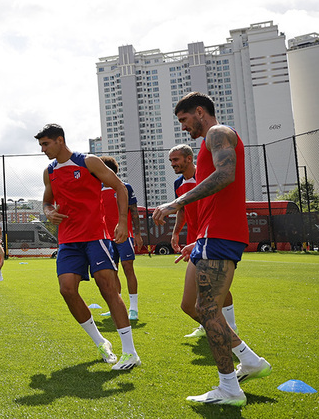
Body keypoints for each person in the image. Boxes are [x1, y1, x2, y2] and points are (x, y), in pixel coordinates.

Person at [153, 92, 271, 407]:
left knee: (208, 311)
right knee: (190, 305)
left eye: (184, 120)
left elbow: (226, 175)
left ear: (200, 112)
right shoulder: (209, 143)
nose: (183, 127)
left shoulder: (219, 134)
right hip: (208, 236)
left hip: (221, 235)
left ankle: (230, 389)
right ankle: (250, 360)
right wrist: (196, 239)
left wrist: (177, 202)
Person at [37, 124, 141, 371]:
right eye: (41, 145)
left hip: (96, 236)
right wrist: (49, 212)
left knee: (107, 288)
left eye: (46, 144)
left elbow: (120, 188)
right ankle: (101, 342)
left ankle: (130, 352)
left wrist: (123, 222)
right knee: (67, 290)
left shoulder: (88, 162)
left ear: (60, 140)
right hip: (68, 241)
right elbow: (46, 201)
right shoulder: (49, 171)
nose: (43, 149)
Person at [168, 144, 238, 339]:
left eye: (176, 160)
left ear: (189, 159)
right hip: (193, 236)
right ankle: (207, 324)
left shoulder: (207, 176)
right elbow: (182, 208)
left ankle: (231, 326)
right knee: (202, 282)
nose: (173, 164)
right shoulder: (178, 183)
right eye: (171, 161)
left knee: (216, 282)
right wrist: (176, 233)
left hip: (211, 235)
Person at [98, 156, 143, 321]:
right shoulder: (97, 189)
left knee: (128, 267)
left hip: (125, 235)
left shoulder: (125, 187)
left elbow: (135, 211)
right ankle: (116, 306)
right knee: (112, 271)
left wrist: (137, 234)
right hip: (105, 237)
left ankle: (134, 309)